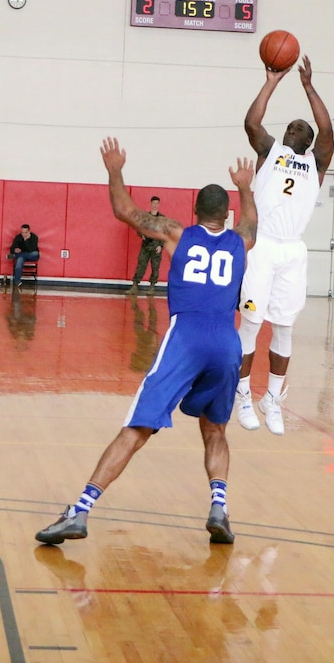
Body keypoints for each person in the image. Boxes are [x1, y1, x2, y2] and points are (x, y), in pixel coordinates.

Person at [35, 138, 257, 547]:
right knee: (216, 430)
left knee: (137, 429)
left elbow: (125, 211)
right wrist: (245, 186)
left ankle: (79, 511)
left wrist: (115, 169)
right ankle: (219, 508)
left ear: (195, 212)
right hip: (227, 342)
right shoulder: (240, 240)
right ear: (226, 214)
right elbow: (252, 224)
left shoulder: (176, 233)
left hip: (186, 337)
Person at [234, 56, 334, 436]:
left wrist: (309, 88)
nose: (291, 130)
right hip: (263, 245)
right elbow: (251, 123)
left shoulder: (316, 162)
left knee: (284, 327)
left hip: (293, 250)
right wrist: (272, 82)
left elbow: (327, 130)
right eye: (290, 126)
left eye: (298, 129)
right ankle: (242, 393)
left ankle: (272, 398)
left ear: (307, 141)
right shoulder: (270, 151)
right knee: (252, 322)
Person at [127, 196, 164, 295]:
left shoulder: (162, 219)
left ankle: (152, 287)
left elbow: (164, 233)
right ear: (150, 204)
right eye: (153, 203)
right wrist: (142, 235)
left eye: (157, 203)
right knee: (141, 265)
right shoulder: (145, 217)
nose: (155, 205)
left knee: (155, 267)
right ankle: (135, 286)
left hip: (156, 247)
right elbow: (139, 229)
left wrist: (161, 246)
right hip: (146, 246)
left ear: (159, 205)